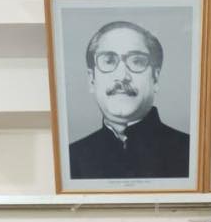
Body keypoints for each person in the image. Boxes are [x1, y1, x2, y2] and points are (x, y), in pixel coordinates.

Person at [68, 20, 191, 180]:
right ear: (92, 79)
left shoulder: (190, 152)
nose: (122, 76)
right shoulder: (72, 157)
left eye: (137, 61)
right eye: (109, 61)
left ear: (155, 78)